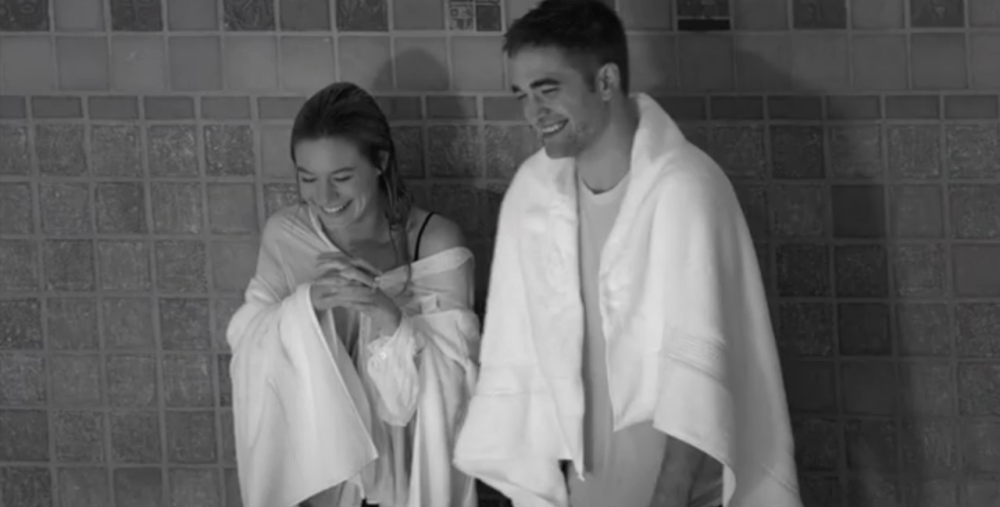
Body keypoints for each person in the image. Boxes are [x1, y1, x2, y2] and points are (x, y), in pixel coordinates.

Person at [453, 1, 803, 507]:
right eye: (523, 95)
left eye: (548, 90)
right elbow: (523, 356)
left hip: (681, 492)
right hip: (583, 488)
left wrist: (670, 496)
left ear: (605, 81)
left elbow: (699, 375)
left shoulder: (684, 188)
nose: (532, 112)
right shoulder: (532, 197)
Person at [227, 82, 479, 507]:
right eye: (307, 179)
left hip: (403, 486)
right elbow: (246, 344)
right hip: (316, 487)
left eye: (342, 178)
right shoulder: (285, 235)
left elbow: (457, 382)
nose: (324, 197)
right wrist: (308, 306)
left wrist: (387, 316)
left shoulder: (433, 243)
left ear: (381, 162)